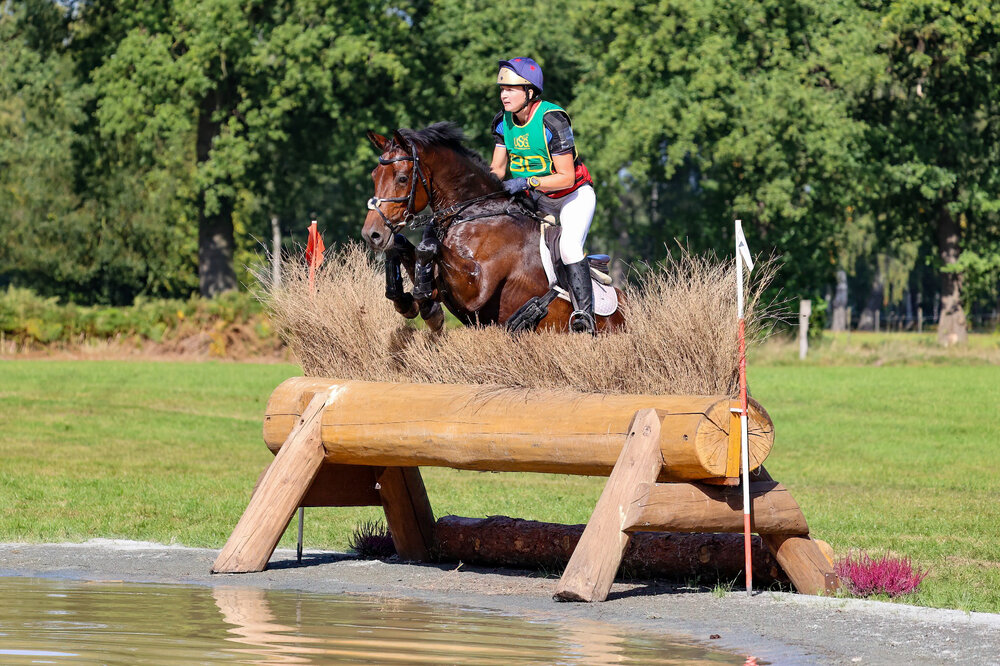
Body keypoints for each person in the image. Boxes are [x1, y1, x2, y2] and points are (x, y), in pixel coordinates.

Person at [490, 57, 597, 334]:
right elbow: (497, 170)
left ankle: (584, 316)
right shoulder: (503, 123)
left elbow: (566, 177)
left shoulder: (552, 119)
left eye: (511, 89)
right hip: (536, 199)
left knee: (569, 247)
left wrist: (527, 181)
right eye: (502, 89)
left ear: (530, 92)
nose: (504, 94)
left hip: (572, 197)